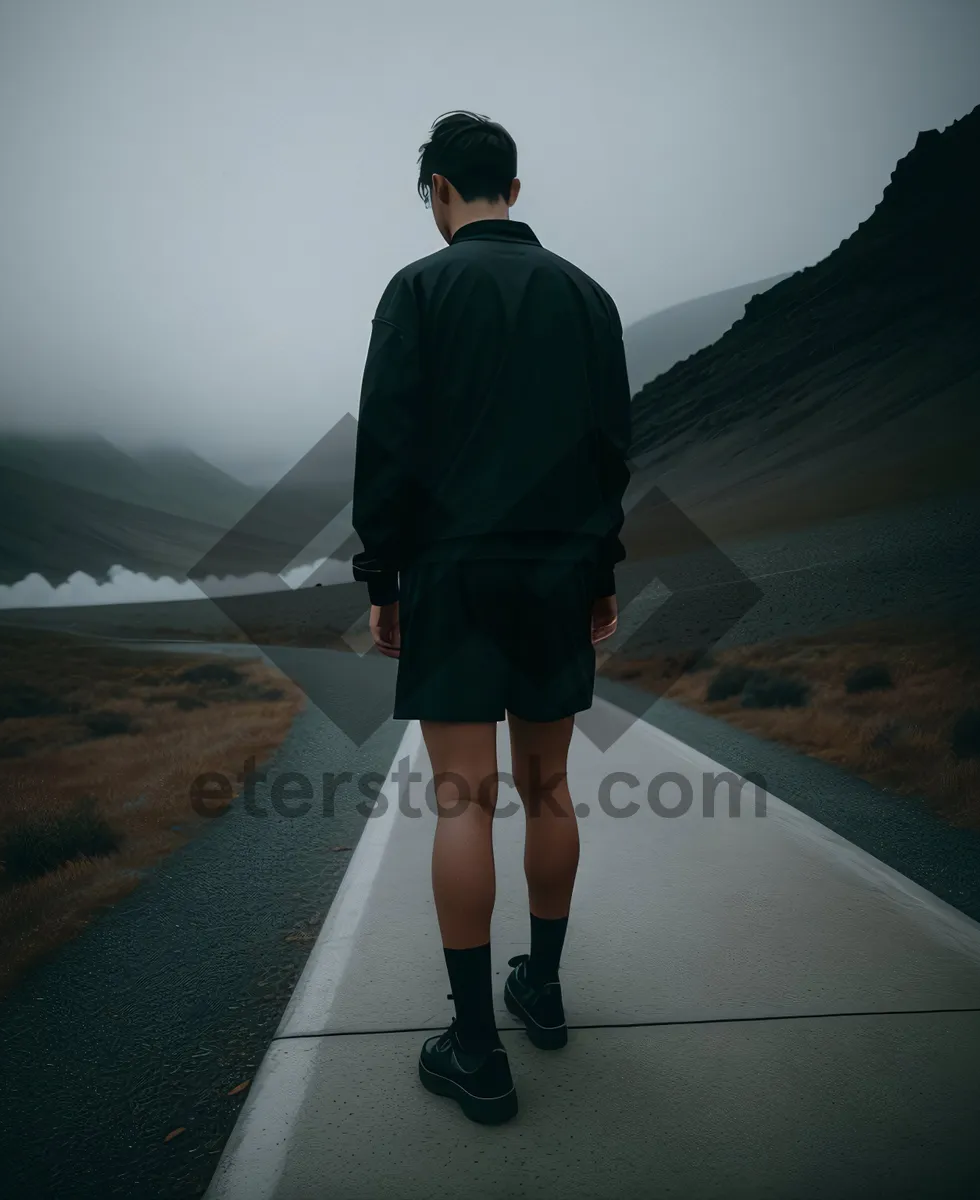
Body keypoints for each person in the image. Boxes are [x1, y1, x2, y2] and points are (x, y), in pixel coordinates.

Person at [351, 110, 632, 1124]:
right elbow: (611, 454)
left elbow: (387, 448)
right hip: (559, 570)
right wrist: (602, 570)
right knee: (550, 785)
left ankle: (476, 1048)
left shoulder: (418, 290)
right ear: (512, 188)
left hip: (454, 575)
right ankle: (543, 994)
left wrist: (383, 582)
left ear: (439, 190)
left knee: (463, 799)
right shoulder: (588, 297)